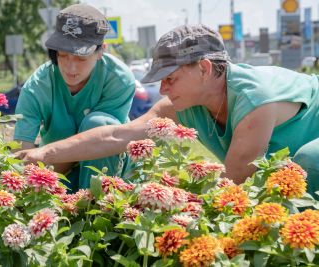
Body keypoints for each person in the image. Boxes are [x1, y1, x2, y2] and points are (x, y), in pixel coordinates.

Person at [16, 24, 319, 198]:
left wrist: (160, 203)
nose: (162, 90)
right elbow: (117, 135)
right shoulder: (185, 101)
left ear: (204, 68)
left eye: (170, 79)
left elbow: (233, 185)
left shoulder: (254, 100)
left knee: (307, 164)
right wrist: (45, 153)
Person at [13, 4, 135, 191]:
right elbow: (22, 153)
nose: (70, 68)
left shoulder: (119, 80)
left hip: (105, 168)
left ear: (101, 50)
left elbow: (105, 140)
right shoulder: (37, 86)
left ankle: (97, 208)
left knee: (98, 123)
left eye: (81, 58)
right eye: (62, 55)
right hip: (56, 170)